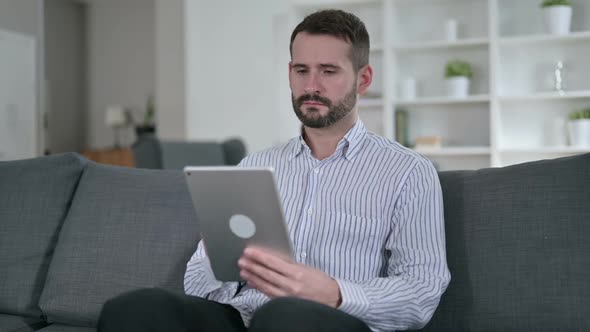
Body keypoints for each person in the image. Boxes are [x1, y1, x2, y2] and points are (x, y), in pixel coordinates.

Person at [98, 9, 450, 332]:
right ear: (289, 73)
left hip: (337, 320)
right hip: (244, 316)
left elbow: (421, 291)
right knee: (135, 308)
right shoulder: (254, 166)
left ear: (363, 78)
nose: (311, 86)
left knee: (285, 317)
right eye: (301, 70)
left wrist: (336, 293)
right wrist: (220, 260)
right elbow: (197, 281)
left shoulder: (408, 172)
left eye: (328, 71)